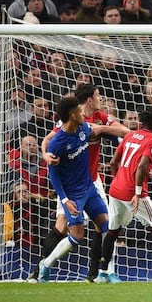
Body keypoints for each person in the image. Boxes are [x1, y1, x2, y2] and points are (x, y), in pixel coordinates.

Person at [28, 83, 130, 282]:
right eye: (99, 95)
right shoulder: (68, 125)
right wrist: (46, 156)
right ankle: (40, 269)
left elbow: (125, 132)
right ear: (89, 100)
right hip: (70, 186)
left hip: (92, 181)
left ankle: (100, 273)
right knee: (63, 228)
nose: (102, 99)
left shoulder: (97, 119)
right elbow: (48, 141)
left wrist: (102, 129)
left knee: (106, 225)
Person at [97, 108, 152, 283]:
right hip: (133, 192)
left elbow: (113, 162)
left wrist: (119, 179)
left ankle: (102, 274)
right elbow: (142, 167)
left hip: (116, 189)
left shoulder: (130, 135)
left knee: (113, 230)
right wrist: (137, 193)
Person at [37, 96, 111, 283]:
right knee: (77, 236)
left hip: (89, 188)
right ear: (72, 115)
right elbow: (53, 176)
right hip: (73, 194)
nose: (83, 114)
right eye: (79, 111)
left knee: (106, 227)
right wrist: (64, 200)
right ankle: (46, 264)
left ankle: (103, 273)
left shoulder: (84, 128)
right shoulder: (58, 143)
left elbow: (103, 131)